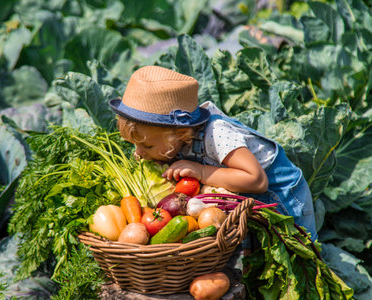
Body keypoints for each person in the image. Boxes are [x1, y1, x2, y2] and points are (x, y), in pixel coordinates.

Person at [109, 65, 318, 241]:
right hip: (247, 203)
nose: (139, 153)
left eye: (147, 147)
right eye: (136, 145)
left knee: (298, 250)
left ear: (180, 133)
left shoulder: (216, 134)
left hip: (282, 198)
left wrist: (200, 171)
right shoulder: (173, 138)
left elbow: (256, 180)